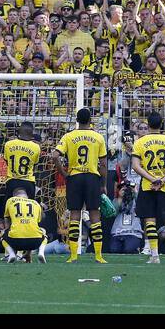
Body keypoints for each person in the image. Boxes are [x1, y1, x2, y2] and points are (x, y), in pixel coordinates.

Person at [54, 106, 108, 263]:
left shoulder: (69, 136)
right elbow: (103, 163)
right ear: (90, 120)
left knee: (75, 215)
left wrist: (64, 174)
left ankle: (73, 255)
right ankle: (98, 255)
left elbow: (55, 155)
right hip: (92, 177)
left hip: (75, 177)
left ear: (77, 120)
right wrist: (103, 184)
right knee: (94, 215)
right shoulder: (98, 137)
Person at [130, 110, 165, 264]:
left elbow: (135, 166)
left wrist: (152, 179)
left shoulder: (140, 142)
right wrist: (162, 180)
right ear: (162, 124)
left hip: (148, 186)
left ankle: (154, 256)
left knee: (150, 221)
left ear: (148, 124)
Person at [4, 187, 46, 264]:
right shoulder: (35, 203)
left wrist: (7, 233)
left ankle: (11, 254)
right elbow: (36, 222)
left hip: (16, 242)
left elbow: (7, 219)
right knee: (43, 234)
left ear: (14, 196)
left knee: (3, 235)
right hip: (35, 242)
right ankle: (41, 253)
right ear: (26, 196)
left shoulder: (10, 201)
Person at [2, 122, 40, 202]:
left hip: (12, 181)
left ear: (19, 131)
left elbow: (7, 161)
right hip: (28, 182)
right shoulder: (36, 147)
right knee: (29, 210)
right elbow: (35, 164)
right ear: (32, 133)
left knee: (10, 209)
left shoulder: (8, 144)